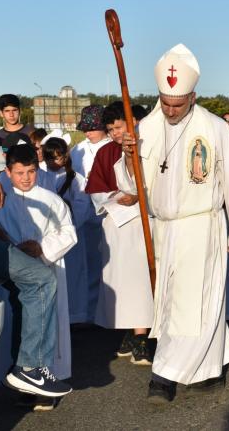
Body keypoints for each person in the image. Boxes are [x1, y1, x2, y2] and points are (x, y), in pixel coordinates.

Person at [117, 43, 229, 403]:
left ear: (193, 96)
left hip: (202, 227)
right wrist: (127, 155)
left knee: (193, 302)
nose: (170, 110)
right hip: (162, 228)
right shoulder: (146, 127)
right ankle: (207, 368)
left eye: (178, 105)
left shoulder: (214, 128)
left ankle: (162, 377)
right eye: (165, 103)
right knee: (172, 304)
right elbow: (130, 185)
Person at [0, 144, 77, 398]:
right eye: (19, 173)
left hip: (47, 265)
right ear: (7, 173)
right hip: (14, 276)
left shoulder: (51, 199)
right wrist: (16, 250)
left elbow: (68, 233)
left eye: (31, 172)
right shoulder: (0, 203)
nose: (26, 178)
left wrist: (41, 248)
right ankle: (18, 383)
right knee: (15, 324)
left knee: (48, 323)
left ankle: (44, 379)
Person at [86, 101, 154, 364]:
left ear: (132, 122)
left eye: (118, 127)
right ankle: (130, 331)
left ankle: (141, 336)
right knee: (121, 283)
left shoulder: (147, 147)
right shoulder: (105, 153)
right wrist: (116, 196)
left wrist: (138, 196)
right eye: (110, 128)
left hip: (142, 224)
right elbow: (96, 191)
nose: (114, 133)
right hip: (116, 224)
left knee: (139, 282)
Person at [41, 137, 94, 325]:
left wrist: (67, 228)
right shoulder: (40, 175)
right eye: (51, 158)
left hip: (70, 235)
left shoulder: (75, 178)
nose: (55, 162)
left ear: (65, 156)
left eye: (59, 158)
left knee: (74, 276)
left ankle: (75, 317)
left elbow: (83, 206)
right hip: (46, 236)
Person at [70, 104, 111, 323]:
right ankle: (85, 311)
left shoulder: (113, 146)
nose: (88, 133)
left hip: (106, 212)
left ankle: (100, 312)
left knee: (104, 264)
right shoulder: (78, 150)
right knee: (85, 263)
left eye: (93, 128)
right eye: (85, 129)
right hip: (82, 213)